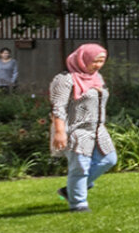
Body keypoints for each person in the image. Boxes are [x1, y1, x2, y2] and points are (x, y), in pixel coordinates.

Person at [50, 44, 116, 213]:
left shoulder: (97, 78)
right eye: (95, 61)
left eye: (102, 61)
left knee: (109, 159)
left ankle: (70, 190)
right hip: (76, 130)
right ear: (82, 59)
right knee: (79, 167)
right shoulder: (65, 80)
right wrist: (59, 132)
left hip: (98, 128)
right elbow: (58, 107)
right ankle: (78, 204)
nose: (98, 65)